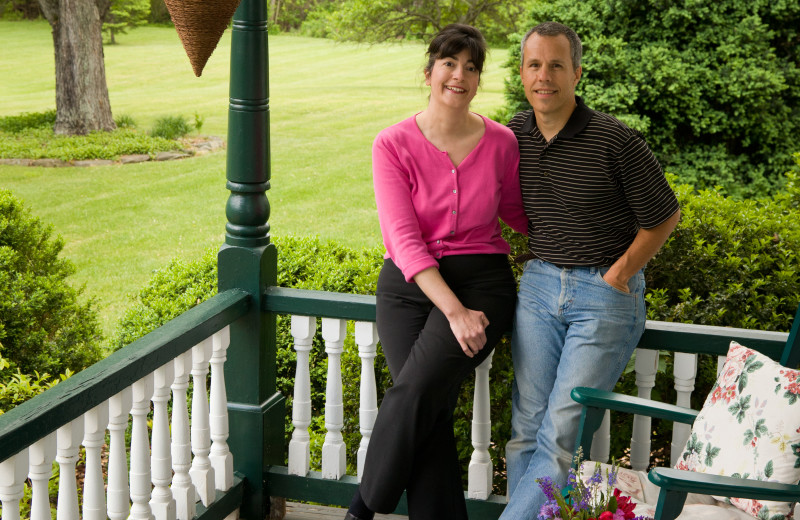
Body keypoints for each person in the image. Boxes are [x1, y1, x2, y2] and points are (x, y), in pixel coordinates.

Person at [344, 23, 528, 520]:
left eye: (471, 67)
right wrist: (453, 312)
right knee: (427, 411)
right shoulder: (392, 144)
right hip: (409, 290)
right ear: (429, 72)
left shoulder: (502, 143)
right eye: (449, 63)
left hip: (482, 284)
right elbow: (403, 241)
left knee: (416, 393)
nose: (459, 75)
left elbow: (520, 213)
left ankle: (361, 508)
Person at [500, 21, 681, 519]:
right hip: (538, 286)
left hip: (602, 294)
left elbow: (664, 214)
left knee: (560, 433)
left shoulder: (615, 141)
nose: (545, 76)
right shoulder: (513, 135)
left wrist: (619, 274)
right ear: (522, 72)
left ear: (576, 73)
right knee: (526, 429)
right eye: (534, 64)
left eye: (556, 65)